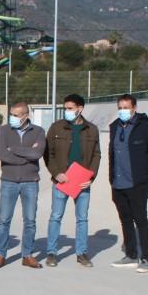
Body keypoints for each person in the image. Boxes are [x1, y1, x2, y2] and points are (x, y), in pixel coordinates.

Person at [108, 94, 148, 273]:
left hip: (137, 183)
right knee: (125, 219)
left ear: (134, 108)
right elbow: (112, 154)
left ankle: (146, 257)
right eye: (120, 108)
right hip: (118, 182)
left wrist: (143, 173)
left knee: (140, 219)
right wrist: (112, 178)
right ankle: (131, 255)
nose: (122, 111)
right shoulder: (114, 127)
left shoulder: (147, 128)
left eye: (126, 107)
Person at [43, 94, 101, 268]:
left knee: (82, 219)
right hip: (62, 180)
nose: (66, 111)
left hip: (82, 181)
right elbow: (48, 153)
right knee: (56, 217)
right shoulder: (56, 127)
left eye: (70, 108)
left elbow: (96, 155)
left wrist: (91, 176)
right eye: (65, 108)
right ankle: (52, 253)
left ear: (80, 109)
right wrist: (56, 173)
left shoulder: (91, 129)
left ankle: (81, 253)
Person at [0, 102, 46, 269]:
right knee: (4, 220)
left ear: (25, 116)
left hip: (30, 182)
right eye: (11, 114)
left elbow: (37, 153)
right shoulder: (3, 130)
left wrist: (14, 149)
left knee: (30, 220)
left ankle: (27, 255)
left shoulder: (38, 131)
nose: (12, 118)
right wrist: (26, 156)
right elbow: (2, 154)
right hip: (9, 181)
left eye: (15, 115)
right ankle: (0, 254)